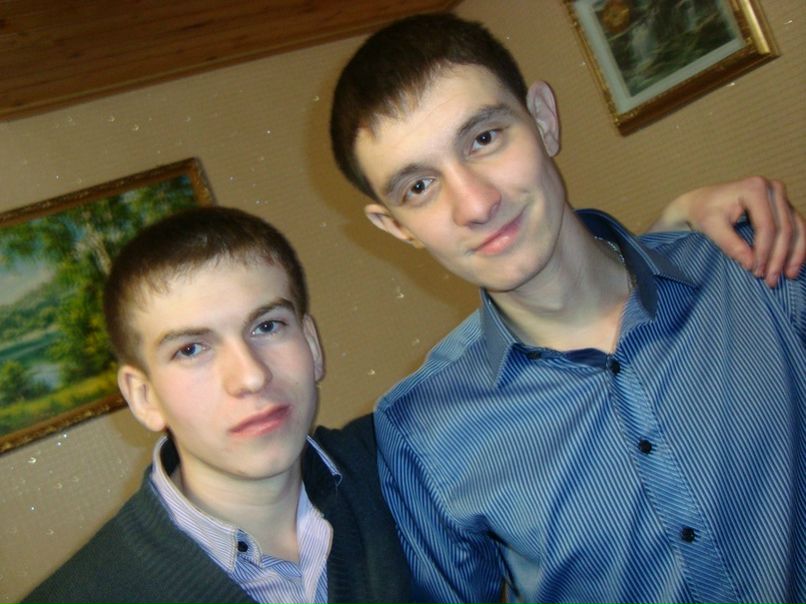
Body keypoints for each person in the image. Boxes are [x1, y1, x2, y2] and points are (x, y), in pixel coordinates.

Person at [329, 12, 805, 604]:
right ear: (396, 227)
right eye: (419, 187)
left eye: (484, 138)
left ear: (543, 120)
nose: (475, 204)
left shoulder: (754, 267)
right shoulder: (421, 431)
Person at [21, 207, 412, 604]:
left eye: (267, 326)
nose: (251, 376)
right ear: (144, 397)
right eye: (191, 349)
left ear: (311, 345)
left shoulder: (407, 462)